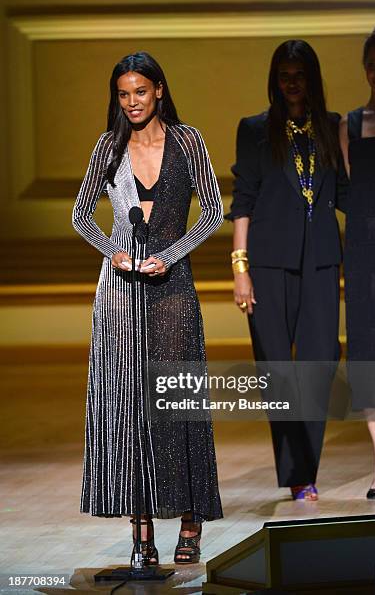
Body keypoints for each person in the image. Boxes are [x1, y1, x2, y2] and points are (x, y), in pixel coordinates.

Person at [72, 51, 223, 565]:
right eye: (123, 93)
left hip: (173, 287)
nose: (132, 102)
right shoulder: (108, 148)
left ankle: (190, 518)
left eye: (141, 91)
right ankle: (141, 535)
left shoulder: (188, 141)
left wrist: (170, 254)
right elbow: (80, 215)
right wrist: (112, 249)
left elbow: (214, 211)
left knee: (176, 401)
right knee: (130, 407)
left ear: (158, 89)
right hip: (119, 295)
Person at [226, 40, 347, 501]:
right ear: (274, 80)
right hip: (268, 263)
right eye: (283, 74)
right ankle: (298, 475)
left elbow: (349, 193)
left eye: (299, 73)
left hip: (320, 261)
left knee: (317, 368)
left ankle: (304, 470)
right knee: (277, 373)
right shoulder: (255, 129)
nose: (291, 82)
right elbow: (245, 201)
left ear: (312, 78)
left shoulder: (334, 128)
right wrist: (240, 268)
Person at [339, 25, 375, 501]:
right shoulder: (349, 125)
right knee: (370, 355)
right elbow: (351, 189)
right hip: (361, 253)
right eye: (373, 65)